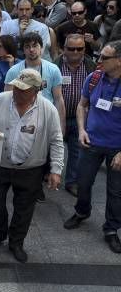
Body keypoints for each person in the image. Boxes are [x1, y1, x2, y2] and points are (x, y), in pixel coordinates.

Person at [0, 69, 64, 263]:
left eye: (23, 89)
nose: (17, 91)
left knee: (24, 208)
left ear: (36, 90)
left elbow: (56, 140)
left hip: (31, 169)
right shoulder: (0, 99)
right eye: (16, 86)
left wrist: (56, 170)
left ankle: (16, 242)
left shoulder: (48, 108)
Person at [63, 41, 121, 253]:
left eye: (105, 57)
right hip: (92, 142)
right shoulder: (94, 78)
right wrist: (81, 130)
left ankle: (111, 229)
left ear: (119, 61)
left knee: (116, 192)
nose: (99, 61)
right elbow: (81, 105)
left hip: (117, 148)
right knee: (83, 182)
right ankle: (82, 211)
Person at [54, 34, 96, 196]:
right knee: (51, 148)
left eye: (80, 49)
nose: (75, 52)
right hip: (57, 116)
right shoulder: (55, 65)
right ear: (64, 49)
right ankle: (48, 174)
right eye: (71, 48)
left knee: (77, 151)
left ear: (84, 49)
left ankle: (72, 182)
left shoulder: (91, 67)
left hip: (80, 117)